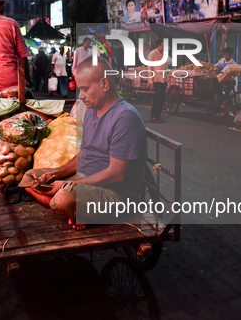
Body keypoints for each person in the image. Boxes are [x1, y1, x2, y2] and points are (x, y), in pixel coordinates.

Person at [21, 57, 147, 230]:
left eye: (85, 89)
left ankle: (72, 208)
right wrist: (54, 174)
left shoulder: (125, 118)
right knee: (29, 177)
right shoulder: (91, 111)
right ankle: (75, 211)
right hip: (84, 181)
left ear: (104, 84)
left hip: (117, 193)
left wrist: (70, 186)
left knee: (64, 197)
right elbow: (83, 154)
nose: (80, 96)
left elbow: (116, 175)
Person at [148, 39, 167, 122]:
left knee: (162, 98)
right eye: (163, 45)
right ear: (158, 45)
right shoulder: (152, 54)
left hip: (163, 79)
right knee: (158, 98)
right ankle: (153, 113)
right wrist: (151, 82)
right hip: (156, 79)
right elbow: (150, 69)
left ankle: (158, 115)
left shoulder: (164, 54)